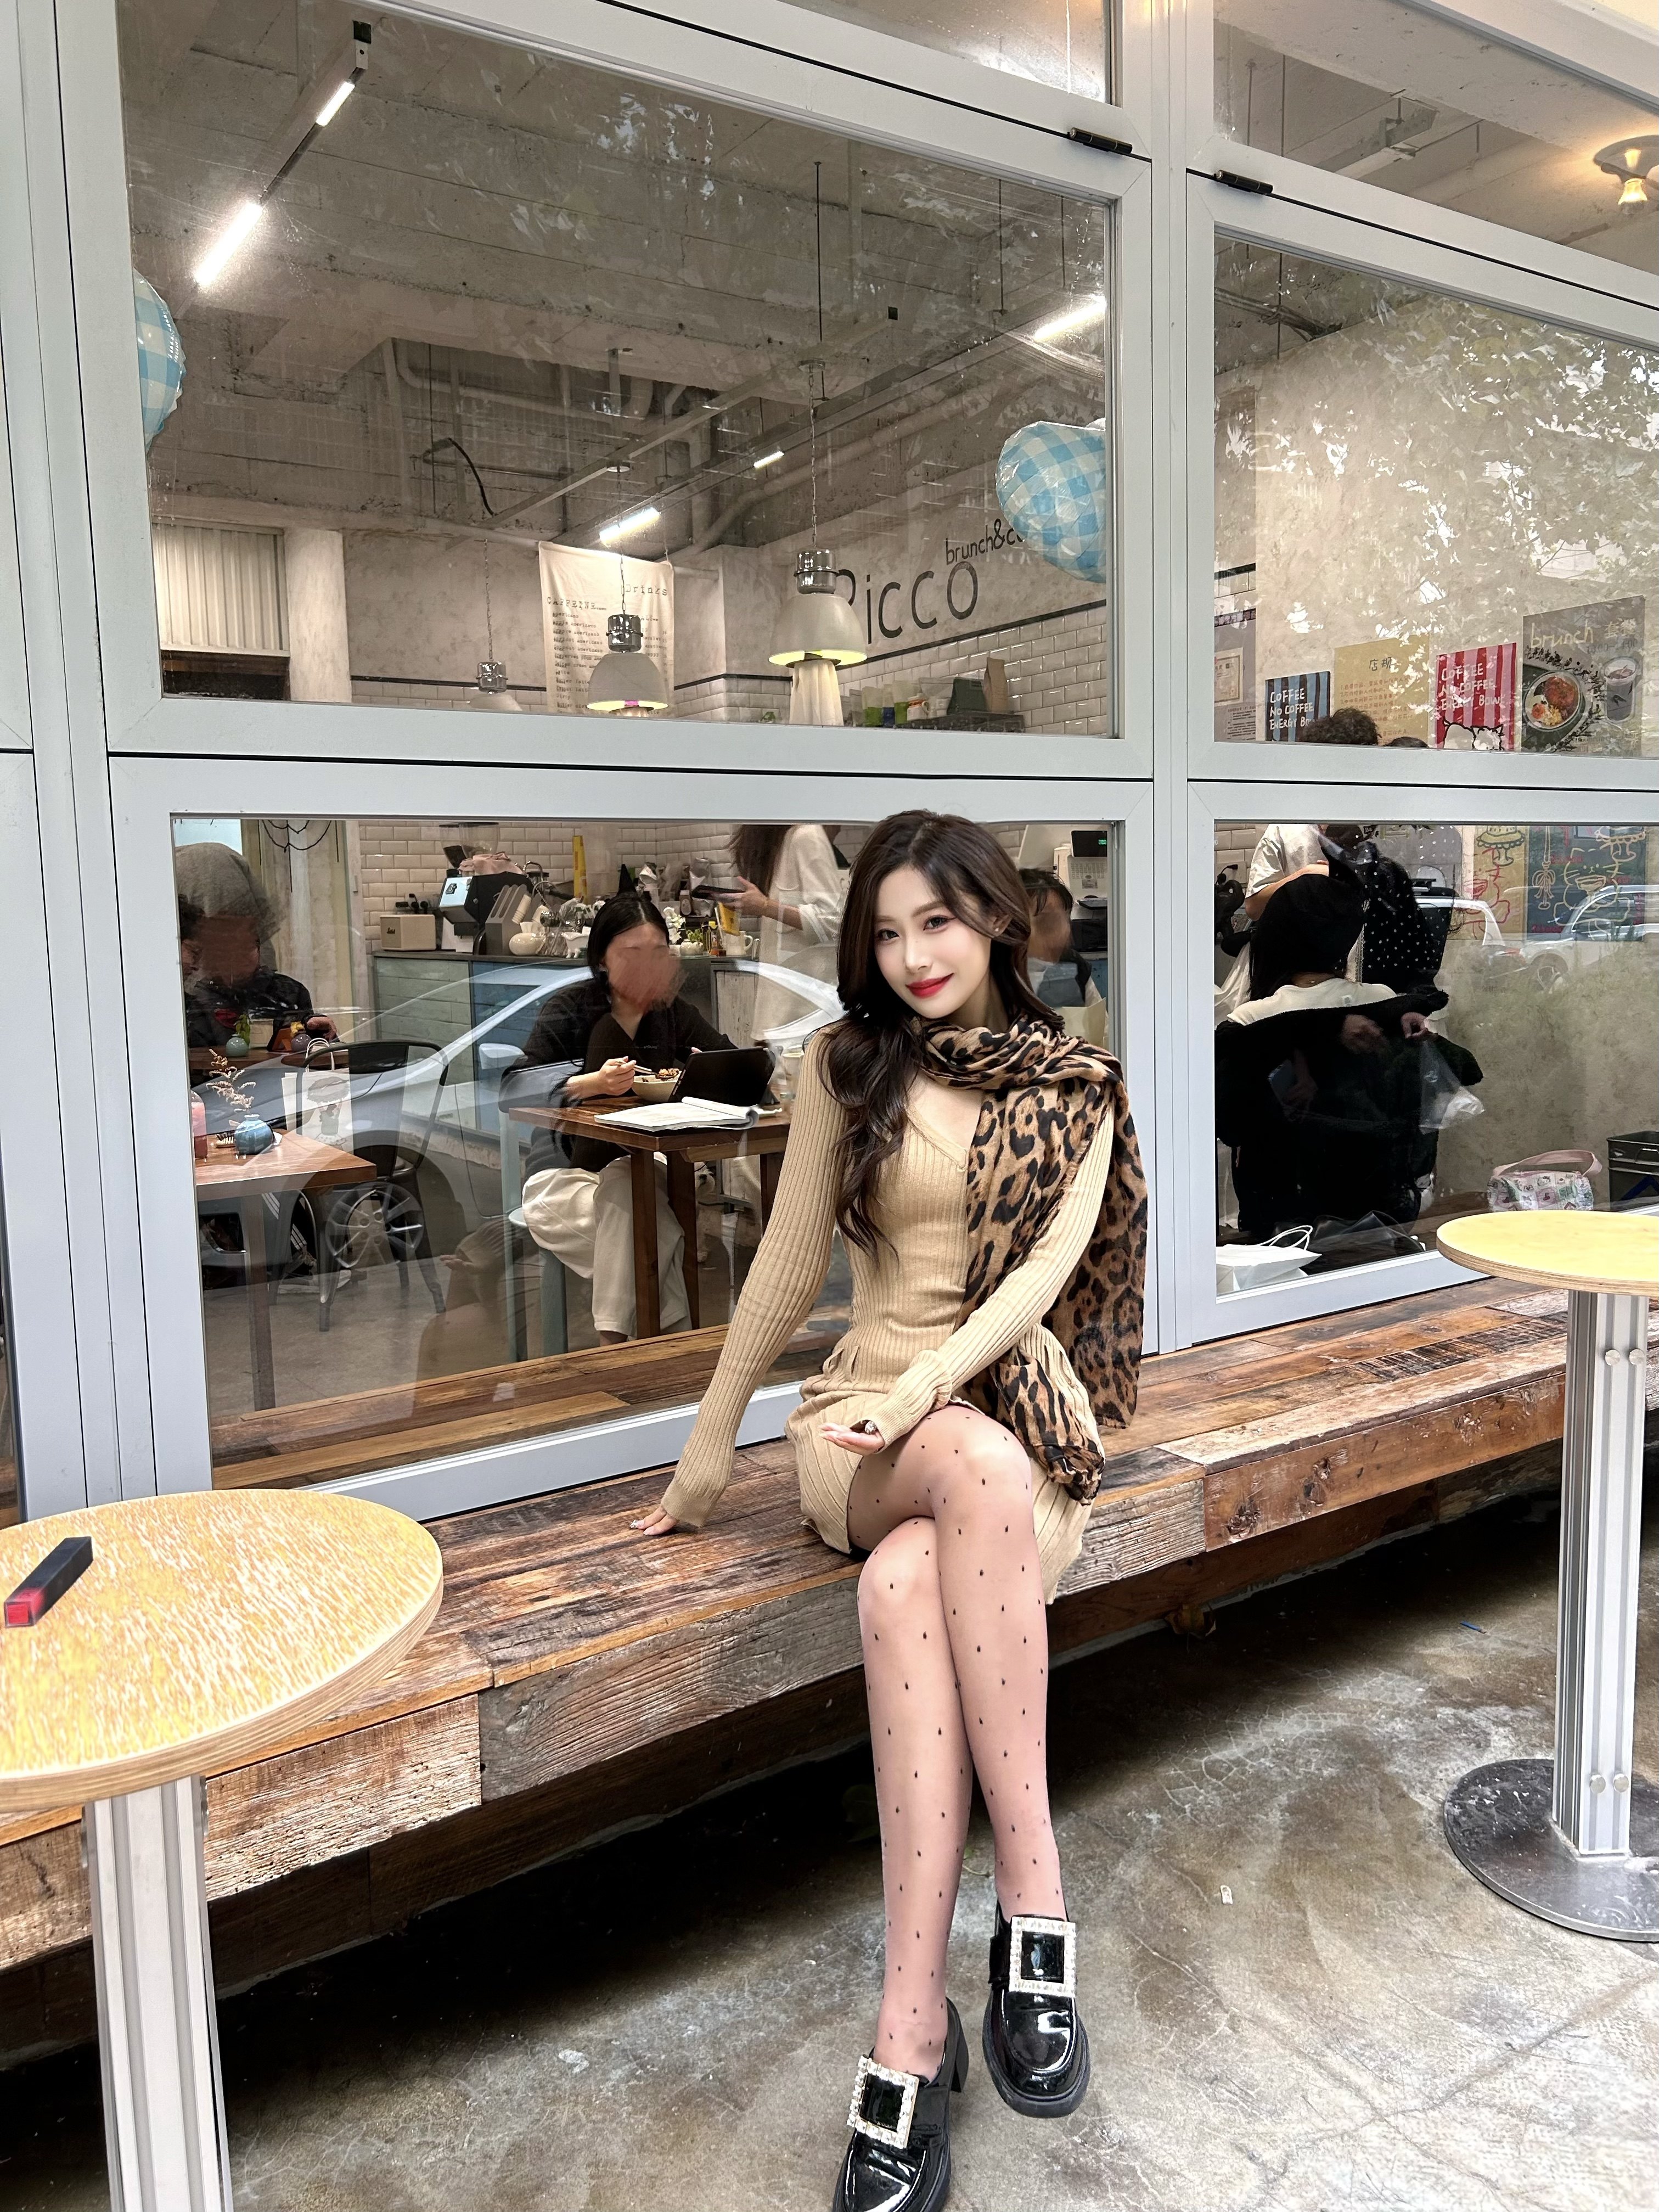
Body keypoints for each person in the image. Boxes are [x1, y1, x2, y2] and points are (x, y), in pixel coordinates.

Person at [629, 811, 1148, 2212]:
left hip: (1007, 1423)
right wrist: (708, 1441)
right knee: (953, 1471)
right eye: (886, 930)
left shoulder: (1073, 1086)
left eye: (939, 921)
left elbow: (1037, 1285)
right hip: (862, 1427)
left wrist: (934, 1382)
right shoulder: (843, 1067)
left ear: (997, 921)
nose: (914, 954)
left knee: (903, 1580)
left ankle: (909, 2021)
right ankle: (1035, 1902)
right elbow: (786, 1262)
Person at [509, 895, 735, 1342]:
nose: (647, 966)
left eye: (658, 953)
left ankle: (614, 1348)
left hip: (651, 1173)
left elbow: (730, 1062)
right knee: (653, 1230)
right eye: (632, 953)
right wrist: (591, 1083)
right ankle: (663, 1350)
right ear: (601, 959)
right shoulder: (571, 1008)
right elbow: (513, 1088)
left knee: (630, 1191)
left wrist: (707, 1072)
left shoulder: (671, 1013)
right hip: (563, 1181)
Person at [1215, 870, 1481, 1244]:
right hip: (1382, 1207)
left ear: (1272, 938)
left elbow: (1231, 1127)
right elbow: (1457, 1077)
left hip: (1284, 1218)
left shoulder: (1252, 1021)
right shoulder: (1386, 1003)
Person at [175, 844, 338, 1051]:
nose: (239, 956)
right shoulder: (197, 1001)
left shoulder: (289, 992)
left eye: (247, 947)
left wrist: (312, 1027)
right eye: (228, 948)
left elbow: (302, 1036)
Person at [729, 823, 847, 1038]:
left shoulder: (804, 836)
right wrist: (764, 906)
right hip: (794, 1014)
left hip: (805, 1015)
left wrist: (765, 906)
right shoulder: (794, 840)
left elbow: (833, 922)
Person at [1019, 869, 1101, 1008]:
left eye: (1065, 919)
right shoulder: (992, 977)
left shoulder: (1074, 967)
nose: (1063, 932)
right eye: (1048, 923)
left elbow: (1100, 1019)